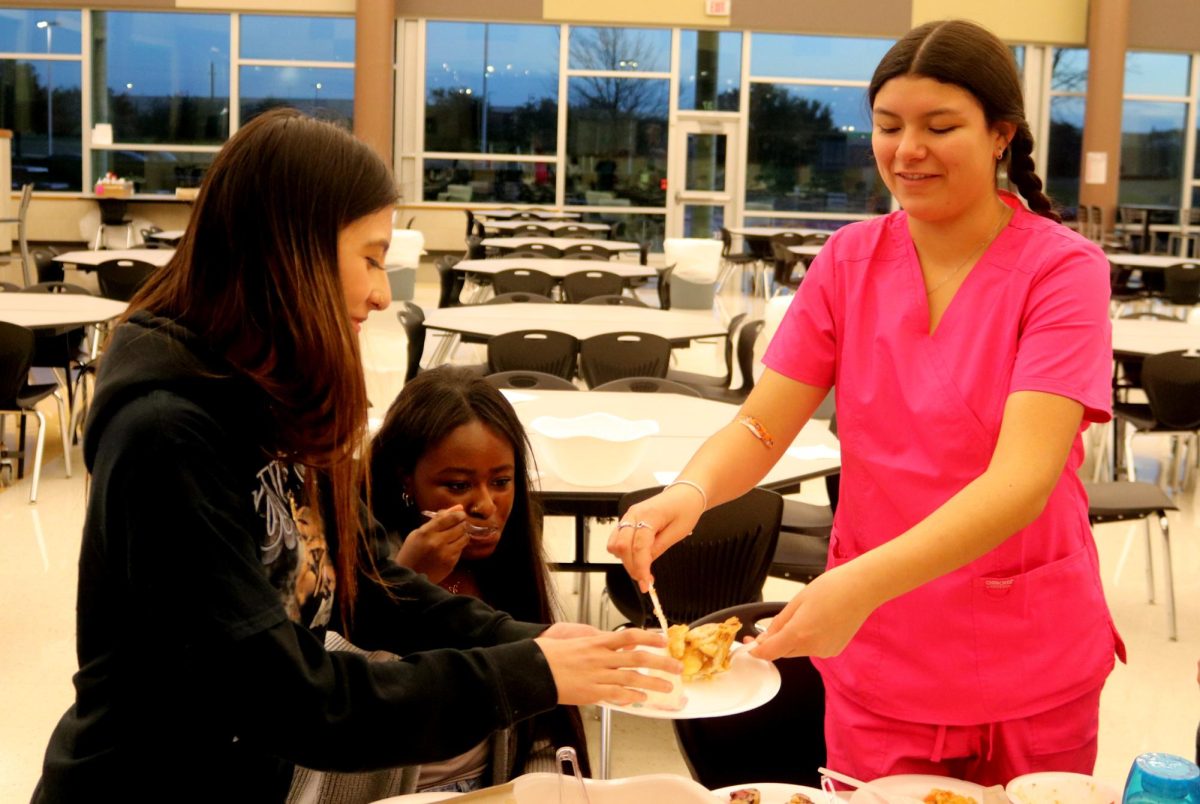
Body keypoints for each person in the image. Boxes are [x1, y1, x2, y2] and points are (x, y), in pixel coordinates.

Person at [33, 109, 677, 802]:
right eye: (370, 257)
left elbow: (372, 585)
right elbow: (288, 699)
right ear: (292, 252)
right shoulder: (166, 435)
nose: (380, 291)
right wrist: (524, 673)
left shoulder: (279, 400)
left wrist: (544, 642)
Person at [609, 19, 1120, 788]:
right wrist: (691, 491)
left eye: (938, 127)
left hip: (1024, 645)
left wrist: (853, 588)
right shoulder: (850, 262)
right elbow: (761, 422)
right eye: (888, 126)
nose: (906, 150)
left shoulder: (1062, 273)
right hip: (885, 651)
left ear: (999, 136)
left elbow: (1021, 482)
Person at [369, 365, 592, 792]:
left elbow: (546, 734)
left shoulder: (509, 569)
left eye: (502, 481)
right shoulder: (364, 557)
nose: (486, 505)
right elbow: (331, 704)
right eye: (457, 485)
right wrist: (404, 584)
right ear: (406, 481)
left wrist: (542, 793)